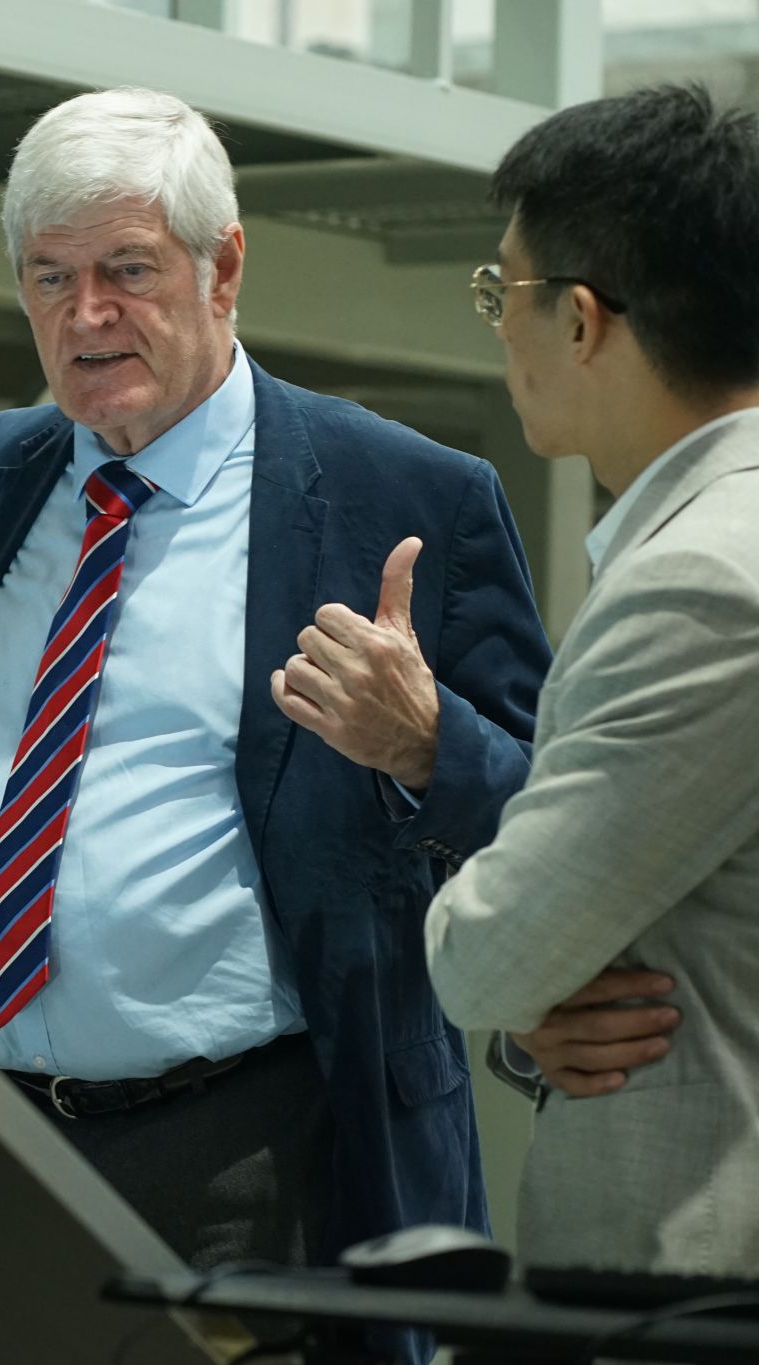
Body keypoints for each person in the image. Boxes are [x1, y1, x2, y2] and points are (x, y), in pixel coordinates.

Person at [0, 86, 550, 1291]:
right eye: (49, 277)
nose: (86, 315)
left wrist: (426, 740)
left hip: (256, 1149)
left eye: (126, 270)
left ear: (221, 267)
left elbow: (548, 814)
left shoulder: (405, 497)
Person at [426, 84, 759, 1274]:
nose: (497, 330)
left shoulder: (701, 584)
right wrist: (535, 1012)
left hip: (690, 1284)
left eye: (497, 293)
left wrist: (517, 984)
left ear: (577, 319)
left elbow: (488, 953)